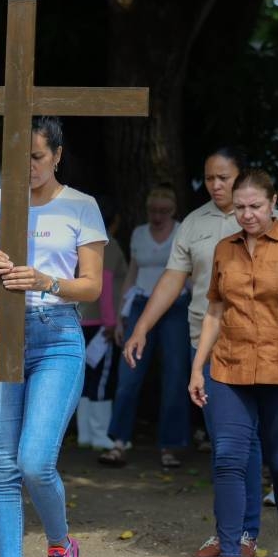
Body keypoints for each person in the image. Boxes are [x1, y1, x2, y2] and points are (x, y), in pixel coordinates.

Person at [0, 117, 106, 557]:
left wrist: (45, 278)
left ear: (58, 155)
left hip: (56, 336)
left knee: (34, 461)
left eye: (37, 158)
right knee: (0, 468)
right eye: (19, 158)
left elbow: (91, 288)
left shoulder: (81, 206)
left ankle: (59, 545)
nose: (27, 168)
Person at [121, 148, 278, 557]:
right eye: (210, 178)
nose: (217, 185)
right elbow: (172, 278)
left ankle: (251, 535)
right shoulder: (194, 224)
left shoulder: (273, 220)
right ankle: (232, 535)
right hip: (209, 343)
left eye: (225, 178)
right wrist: (140, 327)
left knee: (263, 447)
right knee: (228, 446)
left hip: (263, 345)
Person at [189, 169, 278, 557]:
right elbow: (214, 311)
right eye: (239, 207)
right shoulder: (225, 249)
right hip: (229, 367)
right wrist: (197, 366)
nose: (246, 214)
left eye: (254, 206)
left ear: (274, 202)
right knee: (227, 458)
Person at [101, 184, 190, 467]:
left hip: (175, 306)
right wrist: (120, 316)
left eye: (164, 211)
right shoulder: (139, 233)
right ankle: (118, 441)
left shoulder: (182, 232)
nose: (158, 216)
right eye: (153, 210)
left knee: (175, 374)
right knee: (129, 373)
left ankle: (170, 445)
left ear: (174, 211)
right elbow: (131, 275)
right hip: (140, 303)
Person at [76, 195, 127, 451]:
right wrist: (110, 322)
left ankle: (85, 433)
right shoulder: (110, 245)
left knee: (84, 377)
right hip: (101, 323)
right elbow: (105, 285)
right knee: (102, 378)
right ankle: (100, 434)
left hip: (82, 319)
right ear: (115, 221)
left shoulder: (82, 242)